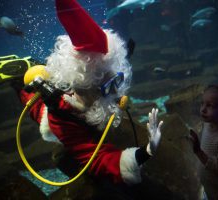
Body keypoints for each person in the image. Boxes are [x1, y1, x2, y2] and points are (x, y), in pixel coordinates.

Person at [12, 0, 163, 186]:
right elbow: (97, 159)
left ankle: (31, 67)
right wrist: (146, 152)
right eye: (108, 86)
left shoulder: (98, 88)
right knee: (25, 80)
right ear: (85, 87)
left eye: (116, 80)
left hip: (71, 93)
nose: (114, 91)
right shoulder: (63, 118)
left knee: (39, 70)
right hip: (40, 102)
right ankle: (18, 75)